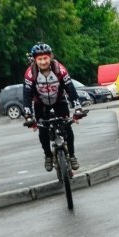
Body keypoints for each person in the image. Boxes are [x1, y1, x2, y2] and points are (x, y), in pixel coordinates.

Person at [22, 43, 83, 171]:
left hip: (59, 100)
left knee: (67, 127)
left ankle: (72, 155)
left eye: (45, 58)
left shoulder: (60, 70)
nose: (43, 62)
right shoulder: (30, 74)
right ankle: (48, 156)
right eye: (40, 59)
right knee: (42, 130)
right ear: (35, 59)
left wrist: (78, 108)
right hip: (40, 103)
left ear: (50, 57)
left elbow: (70, 89)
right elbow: (27, 95)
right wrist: (28, 115)